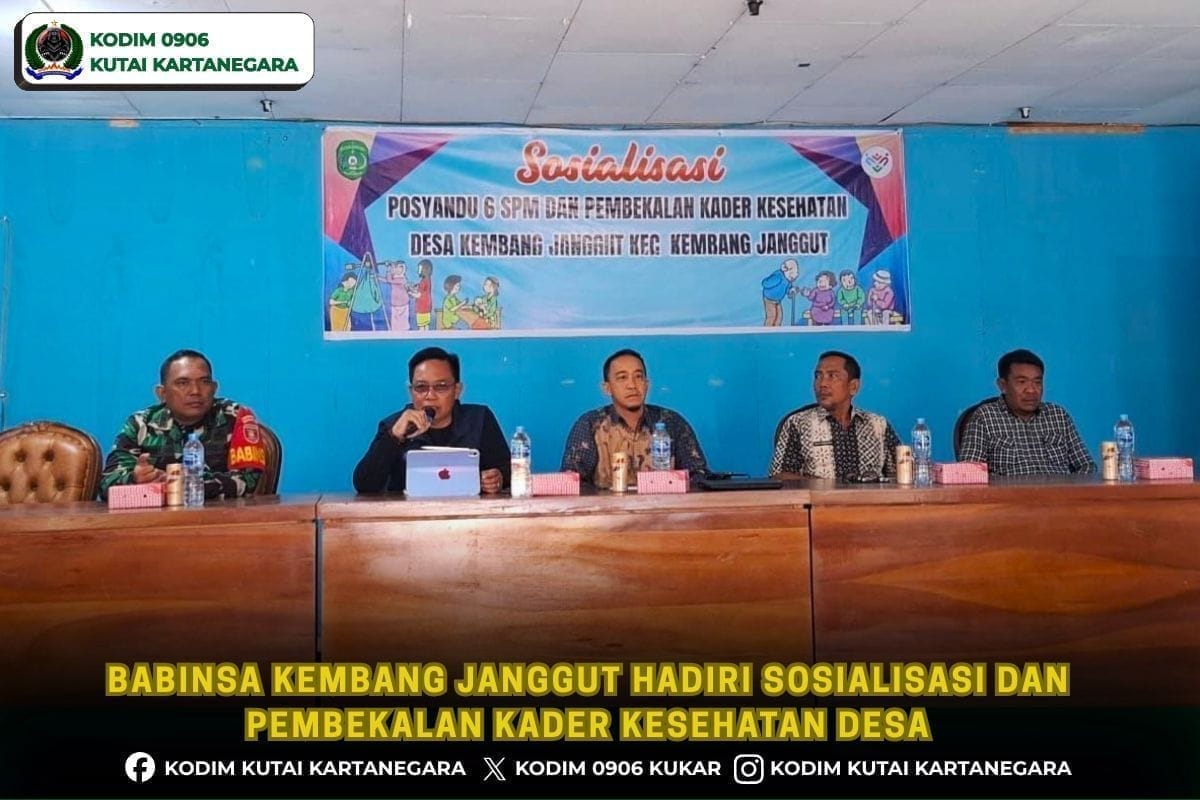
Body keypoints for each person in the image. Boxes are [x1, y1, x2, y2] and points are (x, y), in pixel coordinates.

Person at [99, 349, 264, 499]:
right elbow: (107, 484)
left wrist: (188, 483)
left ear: (214, 388)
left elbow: (248, 481)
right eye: (182, 383)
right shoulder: (141, 424)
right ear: (162, 393)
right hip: (157, 519)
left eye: (204, 382)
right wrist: (134, 479)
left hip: (220, 517)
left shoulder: (235, 418)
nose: (195, 391)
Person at [353, 346, 510, 493]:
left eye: (441, 387)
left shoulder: (479, 419)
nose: (430, 396)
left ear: (457, 390)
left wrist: (498, 478)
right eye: (421, 387)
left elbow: (509, 470)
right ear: (411, 391)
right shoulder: (394, 426)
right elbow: (364, 486)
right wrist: (393, 437)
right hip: (410, 512)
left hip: (467, 511)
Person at [561, 349, 708, 488]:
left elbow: (698, 476)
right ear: (607, 388)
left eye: (638, 377)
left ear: (647, 384)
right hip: (608, 506)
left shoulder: (671, 422)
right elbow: (571, 483)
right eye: (622, 377)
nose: (632, 385)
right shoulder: (589, 425)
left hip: (662, 505)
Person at [958, 349, 1095, 475]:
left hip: (1061, 493)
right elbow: (970, 474)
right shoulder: (984, 417)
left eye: (1037, 382)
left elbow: (1086, 466)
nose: (1031, 390)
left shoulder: (1058, 415)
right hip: (1010, 494)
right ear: (1002, 385)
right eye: (1022, 382)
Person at [770, 350, 900, 481]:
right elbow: (779, 475)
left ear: (853, 387)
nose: (822, 384)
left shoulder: (878, 425)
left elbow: (902, 472)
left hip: (869, 495)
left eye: (832, 376)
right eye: (818, 376)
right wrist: (822, 486)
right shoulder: (798, 423)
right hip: (819, 495)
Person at [761, 258, 800, 326]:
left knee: (779, 317)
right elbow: (765, 283)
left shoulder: (788, 280)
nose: (791, 280)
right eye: (790, 277)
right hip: (769, 299)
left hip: (777, 300)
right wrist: (770, 283)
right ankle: (767, 329)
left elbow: (787, 290)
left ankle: (776, 329)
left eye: (792, 278)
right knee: (772, 316)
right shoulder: (778, 276)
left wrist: (791, 291)